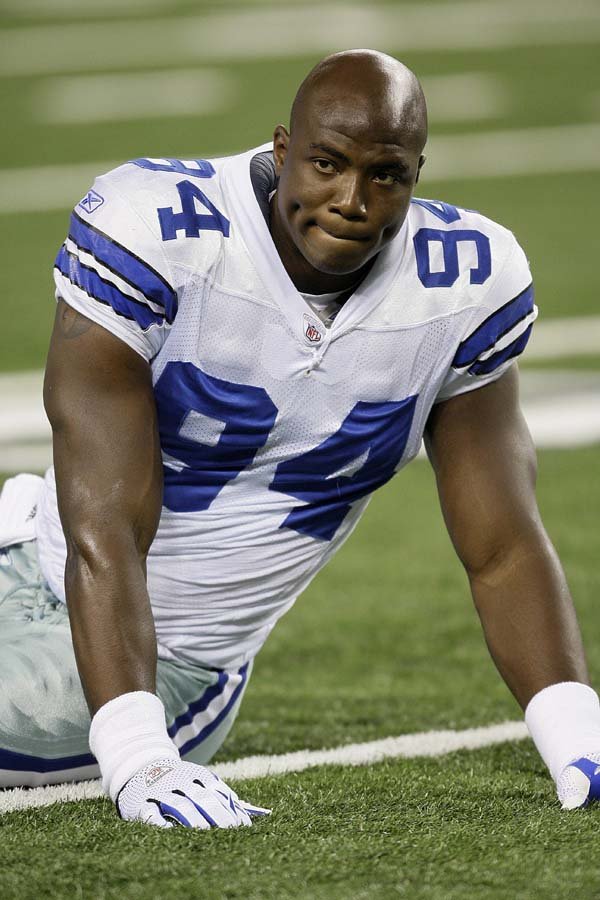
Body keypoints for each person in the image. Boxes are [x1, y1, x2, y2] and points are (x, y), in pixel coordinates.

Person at [1, 49, 599, 827]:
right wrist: (135, 757)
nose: (352, 199)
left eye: (386, 174)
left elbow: (504, 545)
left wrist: (577, 734)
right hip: (32, 560)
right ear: (282, 151)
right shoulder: (158, 230)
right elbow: (103, 526)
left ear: (417, 174)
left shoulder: (465, 285)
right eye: (326, 163)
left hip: (166, 664)